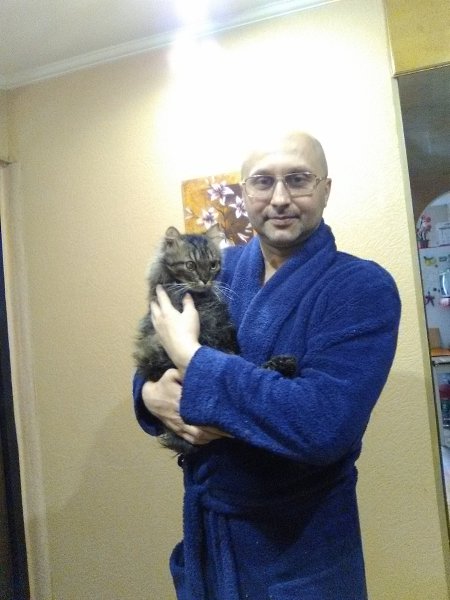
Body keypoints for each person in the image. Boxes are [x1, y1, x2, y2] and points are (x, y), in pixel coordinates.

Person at [133, 131, 401, 599]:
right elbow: (157, 343)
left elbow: (322, 423)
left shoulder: (361, 287)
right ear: (244, 193)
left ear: (325, 190)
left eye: (298, 179)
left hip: (300, 546)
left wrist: (193, 361)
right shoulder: (218, 266)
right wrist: (148, 395)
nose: (279, 198)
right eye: (262, 182)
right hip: (211, 540)